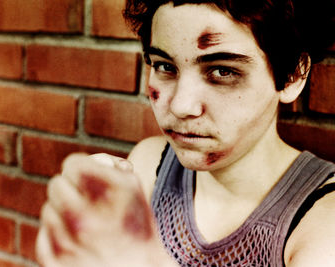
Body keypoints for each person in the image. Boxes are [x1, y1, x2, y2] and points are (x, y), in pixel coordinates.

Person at [36, 0, 335, 266]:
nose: (181, 105)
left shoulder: (323, 221)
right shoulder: (149, 163)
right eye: (165, 66)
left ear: (294, 74)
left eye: (222, 71)